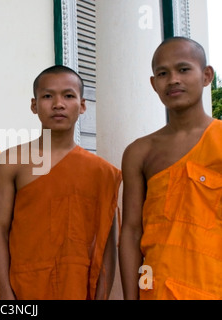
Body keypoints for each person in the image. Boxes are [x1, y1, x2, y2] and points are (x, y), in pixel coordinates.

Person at [0, 65, 122, 300]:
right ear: (34, 105)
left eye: (68, 96)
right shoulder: (12, 162)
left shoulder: (102, 172)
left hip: (78, 288)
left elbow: (107, 247)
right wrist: (5, 292)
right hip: (24, 287)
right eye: (48, 96)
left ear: (82, 106)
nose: (58, 104)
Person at [119, 37, 222, 300]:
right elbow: (131, 231)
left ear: (206, 75)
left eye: (184, 69)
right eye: (163, 73)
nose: (173, 79)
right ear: (154, 84)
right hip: (156, 287)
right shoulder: (139, 152)